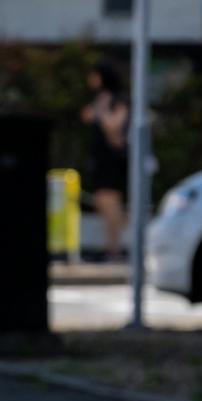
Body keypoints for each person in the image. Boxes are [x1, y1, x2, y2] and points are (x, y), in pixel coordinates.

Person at [81, 60, 130, 261]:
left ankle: (114, 248)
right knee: (102, 201)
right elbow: (86, 116)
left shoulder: (117, 99)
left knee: (111, 202)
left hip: (111, 159)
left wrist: (101, 111)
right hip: (100, 158)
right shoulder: (101, 98)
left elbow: (114, 126)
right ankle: (111, 246)